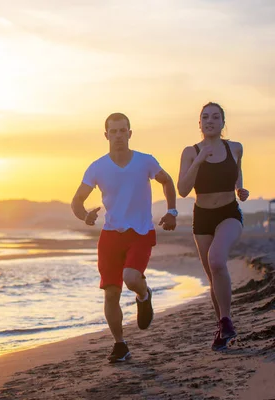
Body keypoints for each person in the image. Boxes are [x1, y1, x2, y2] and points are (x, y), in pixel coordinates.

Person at [71, 112, 177, 363]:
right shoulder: (97, 167)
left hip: (140, 232)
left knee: (131, 277)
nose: (118, 135)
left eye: (123, 131)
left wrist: (172, 211)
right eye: (113, 131)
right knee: (111, 293)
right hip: (110, 236)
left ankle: (144, 295)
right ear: (106, 135)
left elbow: (167, 181)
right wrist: (84, 216)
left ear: (130, 133)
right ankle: (120, 344)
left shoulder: (145, 162)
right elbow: (77, 201)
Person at [177, 102, 248, 351]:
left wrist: (241, 189)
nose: (210, 121)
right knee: (212, 277)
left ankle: (227, 320)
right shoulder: (190, 151)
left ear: (222, 122)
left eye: (215, 117)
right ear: (199, 123)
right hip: (203, 217)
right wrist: (198, 161)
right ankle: (222, 327)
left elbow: (237, 173)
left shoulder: (235, 148)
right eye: (205, 117)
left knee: (217, 260)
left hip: (229, 213)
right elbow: (183, 190)